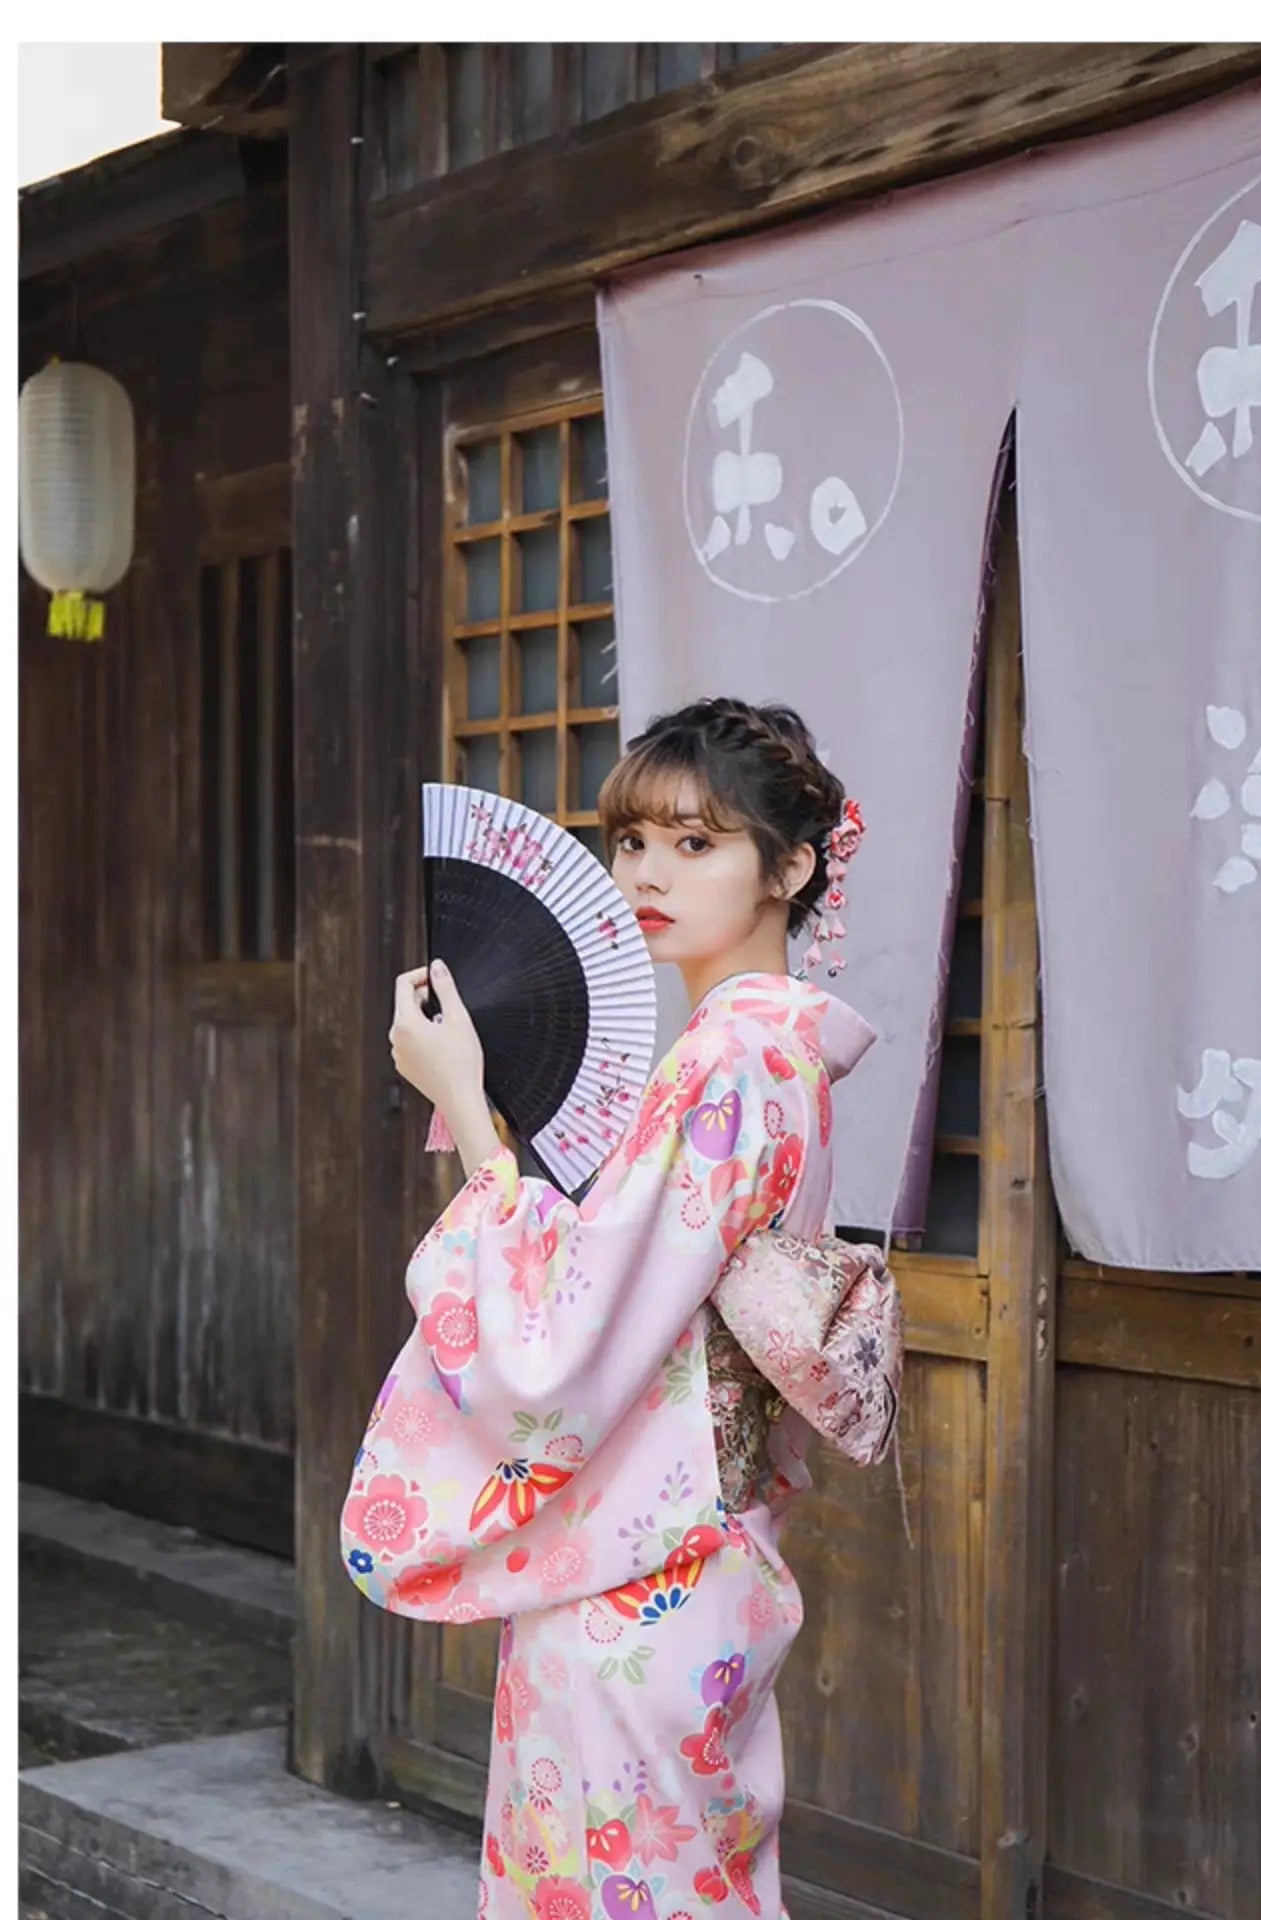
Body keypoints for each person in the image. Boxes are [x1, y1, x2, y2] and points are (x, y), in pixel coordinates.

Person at [343, 697, 882, 1920]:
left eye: (698, 846)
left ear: (790, 868)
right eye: (632, 841)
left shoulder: (726, 1064)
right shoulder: (774, 1057)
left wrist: (469, 1104)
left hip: (643, 1569)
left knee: (620, 1883)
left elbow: (563, 1339)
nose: (647, 873)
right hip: (703, 1551)